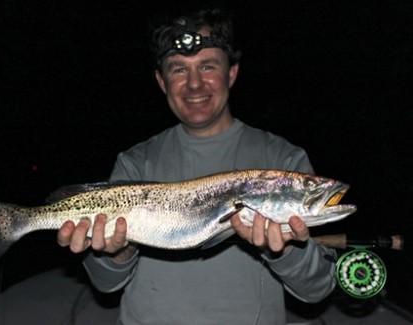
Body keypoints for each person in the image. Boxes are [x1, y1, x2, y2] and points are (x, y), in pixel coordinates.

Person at [57, 8, 337, 325]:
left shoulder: (283, 161)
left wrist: (286, 252)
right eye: (179, 70)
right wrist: (117, 251)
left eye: (207, 66)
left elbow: (317, 290)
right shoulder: (135, 162)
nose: (194, 84)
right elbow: (106, 284)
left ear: (231, 73)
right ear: (162, 82)